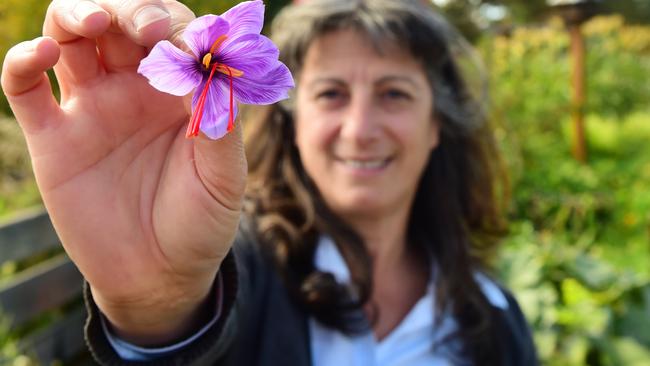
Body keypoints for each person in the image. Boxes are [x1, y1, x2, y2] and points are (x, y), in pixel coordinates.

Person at [1, 0, 538, 365]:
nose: (360, 130)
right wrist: (158, 307)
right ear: (292, 119)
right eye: (330, 94)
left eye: (395, 93)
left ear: (436, 123)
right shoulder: (237, 274)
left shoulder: (494, 316)